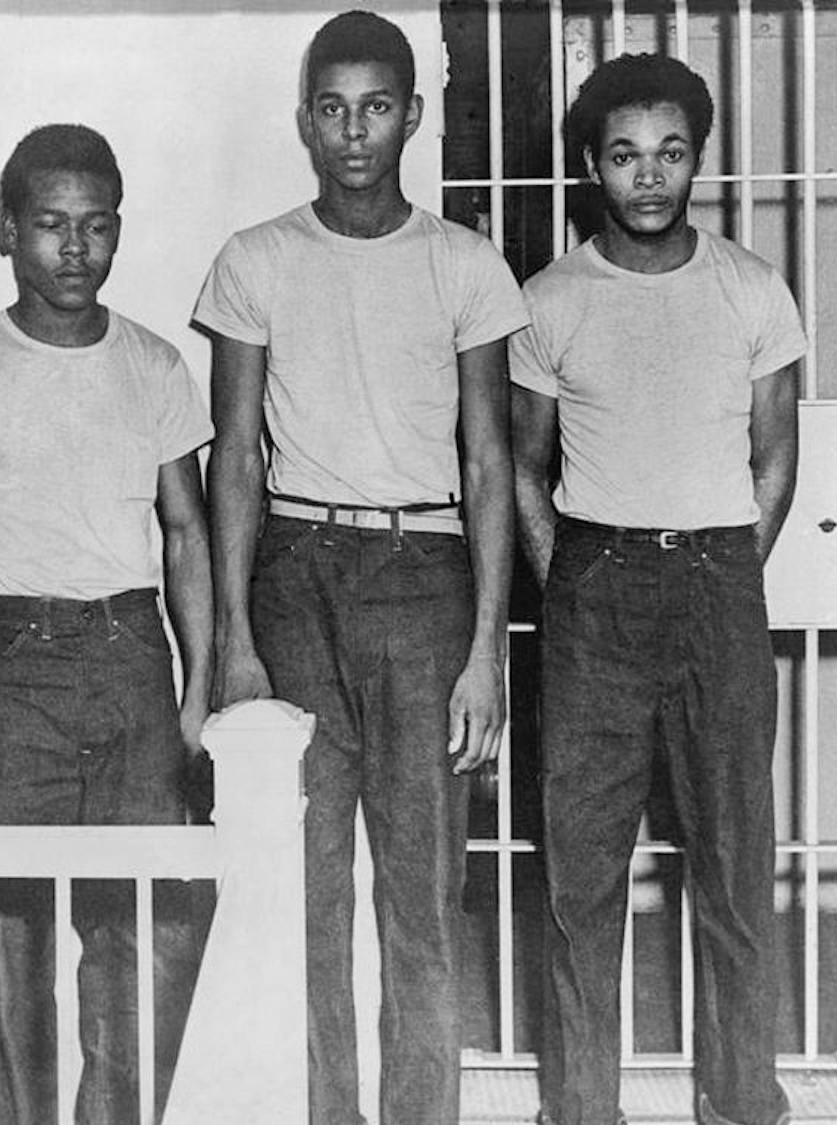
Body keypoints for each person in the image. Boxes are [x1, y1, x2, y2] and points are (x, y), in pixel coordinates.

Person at [193, 10, 525, 1123]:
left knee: (425, 895)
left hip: (424, 580)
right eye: (332, 108)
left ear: (413, 117)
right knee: (305, 888)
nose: (353, 131)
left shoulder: (465, 264)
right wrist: (236, 640)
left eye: (376, 106)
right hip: (294, 574)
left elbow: (488, 461)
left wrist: (487, 648)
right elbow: (232, 457)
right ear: (304, 121)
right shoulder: (255, 260)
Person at [509, 53, 804, 1125]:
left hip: (719, 589)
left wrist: (721, 567)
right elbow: (521, 468)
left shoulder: (752, 289)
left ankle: (740, 1102)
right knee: (582, 880)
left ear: (696, 162)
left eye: (670, 154)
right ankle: (581, 1108)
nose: (649, 177)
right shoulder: (549, 300)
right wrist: (574, 584)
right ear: (593, 165)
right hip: (595, 592)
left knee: (733, 866)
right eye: (626, 155)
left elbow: (776, 460)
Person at [0, 124, 212, 1125]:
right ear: (8, 232)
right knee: (20, 931)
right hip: (12, 665)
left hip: (130, 658)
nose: (74, 249)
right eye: (50, 226)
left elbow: (187, 533)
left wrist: (197, 694)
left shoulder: (156, 365)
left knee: (144, 924)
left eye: (97, 226)